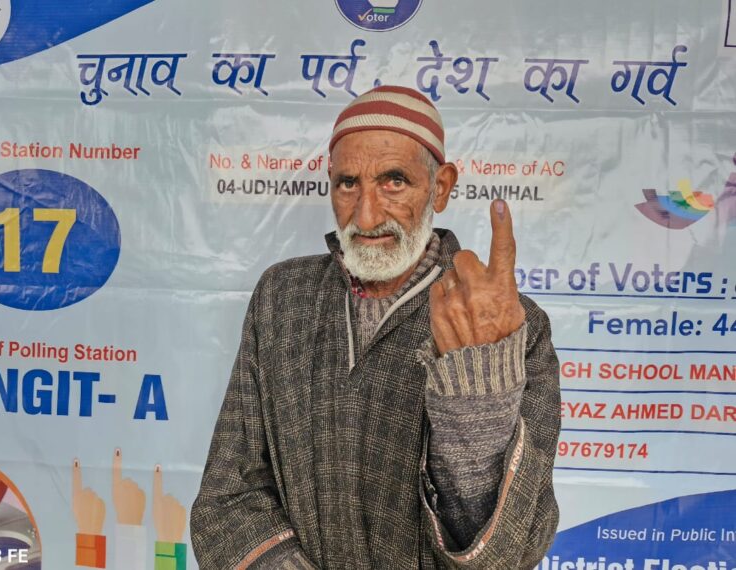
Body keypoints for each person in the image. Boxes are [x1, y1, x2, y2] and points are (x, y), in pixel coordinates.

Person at [190, 85, 561, 569]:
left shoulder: (510, 326)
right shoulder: (282, 297)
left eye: (393, 181)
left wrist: (479, 393)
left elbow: (512, 552)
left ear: (442, 186)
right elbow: (227, 500)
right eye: (348, 183)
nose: (366, 215)